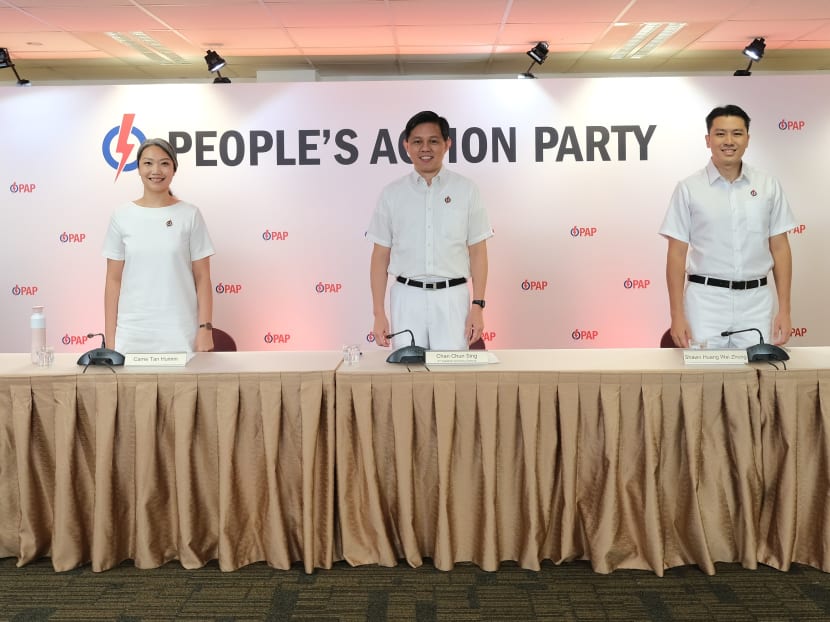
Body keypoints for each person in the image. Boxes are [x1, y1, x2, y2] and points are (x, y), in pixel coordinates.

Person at [659, 104, 796, 349]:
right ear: (708, 139)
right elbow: (676, 254)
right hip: (705, 302)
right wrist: (676, 315)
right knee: (703, 381)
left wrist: (784, 310)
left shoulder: (768, 186)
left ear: (747, 139)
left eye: (737, 133)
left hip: (756, 302)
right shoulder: (688, 188)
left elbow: (780, 248)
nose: (729, 141)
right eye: (721, 134)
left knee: (758, 380)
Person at [367, 110, 493, 351]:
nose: (425, 148)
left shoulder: (466, 190)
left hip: (452, 298)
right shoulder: (392, 194)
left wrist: (477, 306)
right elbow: (380, 256)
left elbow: (478, 251)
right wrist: (378, 313)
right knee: (407, 377)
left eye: (433, 141)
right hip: (406, 298)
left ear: (447, 144)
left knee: (452, 380)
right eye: (417, 141)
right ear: (406, 146)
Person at [103, 137, 215, 354]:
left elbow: (203, 278)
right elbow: (113, 280)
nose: (156, 170)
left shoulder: (190, 214)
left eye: (164, 163)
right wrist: (110, 340)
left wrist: (205, 329)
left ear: (174, 169)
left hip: (180, 334)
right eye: (148, 163)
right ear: (138, 168)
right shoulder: (121, 216)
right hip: (132, 335)